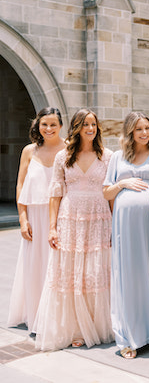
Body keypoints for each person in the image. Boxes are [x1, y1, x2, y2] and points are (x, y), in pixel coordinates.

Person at [33, 108, 113, 350]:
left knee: (94, 271)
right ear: (76, 127)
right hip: (70, 218)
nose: (90, 128)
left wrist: (115, 223)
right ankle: (74, 328)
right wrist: (52, 228)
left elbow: (111, 194)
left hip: (99, 217)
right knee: (70, 273)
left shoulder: (108, 156)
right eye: (85, 124)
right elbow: (55, 193)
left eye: (93, 124)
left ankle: (97, 325)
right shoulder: (63, 156)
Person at [102, 112, 149, 359]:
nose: (144, 133)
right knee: (130, 276)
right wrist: (122, 184)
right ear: (130, 132)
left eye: (147, 128)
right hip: (126, 227)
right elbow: (107, 194)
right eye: (139, 129)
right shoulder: (118, 157)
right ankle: (130, 335)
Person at [8, 107, 66, 333]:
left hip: (61, 215)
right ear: (38, 126)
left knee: (58, 265)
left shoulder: (68, 148)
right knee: (35, 265)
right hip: (34, 215)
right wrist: (23, 219)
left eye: (53, 124)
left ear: (61, 125)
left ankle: (58, 317)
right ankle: (37, 316)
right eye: (44, 124)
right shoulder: (29, 151)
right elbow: (20, 185)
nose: (49, 129)